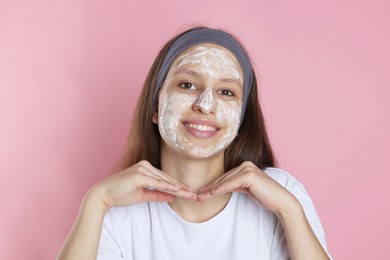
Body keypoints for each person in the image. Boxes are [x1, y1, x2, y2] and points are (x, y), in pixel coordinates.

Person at [57, 27, 331, 260]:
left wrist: (289, 210)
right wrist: (95, 202)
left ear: (241, 118)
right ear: (156, 106)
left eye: (226, 92)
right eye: (187, 85)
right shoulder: (117, 214)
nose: (205, 105)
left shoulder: (282, 194)